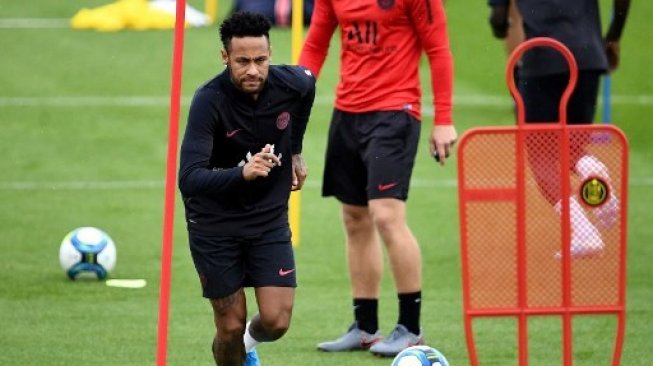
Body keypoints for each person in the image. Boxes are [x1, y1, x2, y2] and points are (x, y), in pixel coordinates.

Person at [298, 0, 457, 358]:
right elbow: (316, 44)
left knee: (386, 215)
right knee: (354, 219)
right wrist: (292, 97)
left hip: (394, 114)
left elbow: (439, 49)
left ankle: (411, 328)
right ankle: (365, 327)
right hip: (348, 113)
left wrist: (443, 118)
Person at [178, 11, 316, 366]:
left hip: (267, 218)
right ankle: (232, 350)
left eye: (260, 60)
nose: (252, 70)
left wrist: (295, 149)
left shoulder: (292, 82)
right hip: (214, 224)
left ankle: (247, 346)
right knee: (229, 326)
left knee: (276, 320)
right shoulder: (209, 100)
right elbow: (189, 179)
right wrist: (241, 173)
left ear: (270, 54)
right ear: (225, 58)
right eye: (242, 62)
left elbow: (309, 85)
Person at [493, 0, 630, 257]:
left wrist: (502, 25)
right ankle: (589, 166)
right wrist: (613, 36)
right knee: (573, 145)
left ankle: (584, 232)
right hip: (588, 56)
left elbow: (499, 19)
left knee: (540, 153)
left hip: (542, 59)